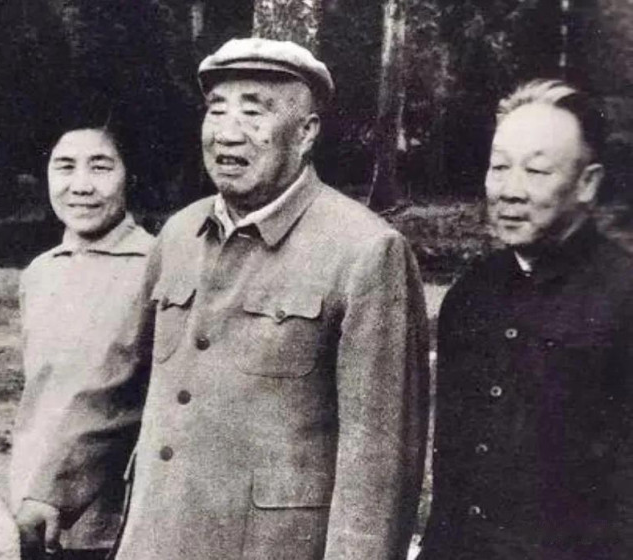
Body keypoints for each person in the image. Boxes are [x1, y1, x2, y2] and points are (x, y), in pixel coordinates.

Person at [113, 38, 430, 560]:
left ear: (306, 133)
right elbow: (128, 392)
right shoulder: (178, 233)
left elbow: (378, 465)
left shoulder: (366, 250)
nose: (227, 132)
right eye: (217, 110)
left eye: (254, 110)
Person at [419, 79, 633, 560]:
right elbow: (453, 478)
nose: (510, 191)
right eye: (499, 167)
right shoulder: (471, 295)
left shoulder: (623, 299)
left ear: (587, 183)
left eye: (536, 171)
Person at [10, 116, 157, 560]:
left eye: (100, 167)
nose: (80, 186)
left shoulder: (156, 265)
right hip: (28, 509)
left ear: (130, 176)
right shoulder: (40, 272)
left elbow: (132, 399)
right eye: (64, 166)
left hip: (111, 521)